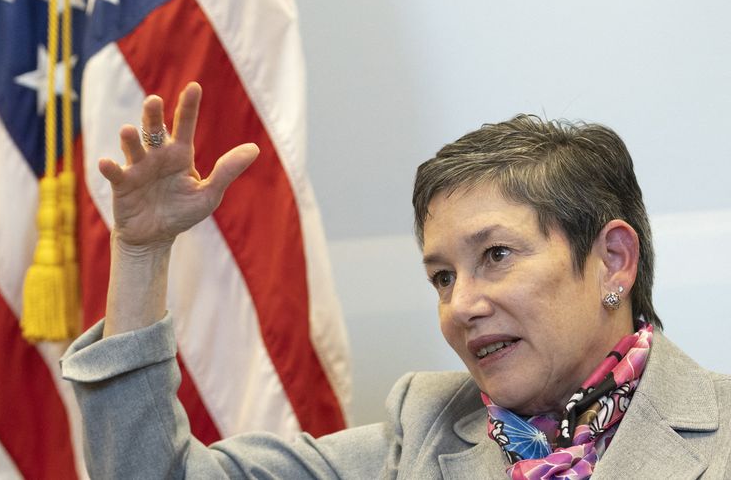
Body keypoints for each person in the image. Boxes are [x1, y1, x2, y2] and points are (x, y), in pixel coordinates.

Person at [61, 82, 731, 479]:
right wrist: (143, 255)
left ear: (614, 260)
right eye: (442, 276)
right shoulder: (426, 433)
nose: (462, 304)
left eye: (495, 255)